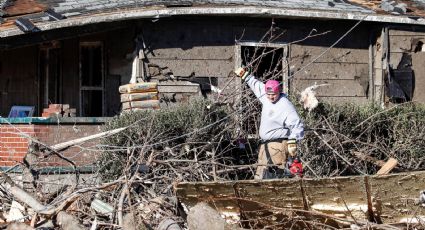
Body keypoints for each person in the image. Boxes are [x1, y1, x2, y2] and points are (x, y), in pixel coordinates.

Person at [235, 67, 304, 179]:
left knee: (274, 178)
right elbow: (256, 84)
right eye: (269, 94)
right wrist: (244, 75)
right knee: (260, 177)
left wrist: (292, 143)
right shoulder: (266, 96)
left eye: (274, 94)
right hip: (265, 145)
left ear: (279, 91)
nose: (271, 97)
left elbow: (297, 125)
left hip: (278, 146)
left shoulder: (285, 105)